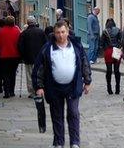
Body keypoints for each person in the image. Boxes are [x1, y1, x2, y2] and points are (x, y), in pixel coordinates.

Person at [32, 20, 92, 148]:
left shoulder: (76, 46)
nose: (60, 35)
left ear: (68, 32)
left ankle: (75, 142)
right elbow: (39, 68)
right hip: (54, 87)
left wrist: (87, 81)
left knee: (73, 113)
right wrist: (39, 87)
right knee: (56, 115)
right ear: (54, 33)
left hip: (73, 85)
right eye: (58, 32)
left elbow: (84, 63)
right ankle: (58, 142)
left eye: (63, 32)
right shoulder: (47, 48)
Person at [17, 16, 47, 98]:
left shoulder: (24, 33)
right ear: (35, 22)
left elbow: (20, 46)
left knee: (30, 75)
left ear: (27, 23)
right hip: (39, 58)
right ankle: (39, 90)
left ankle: (32, 92)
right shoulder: (41, 32)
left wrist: (22, 55)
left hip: (28, 58)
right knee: (39, 74)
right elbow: (46, 44)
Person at [0, 15, 21, 98]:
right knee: (13, 74)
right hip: (15, 56)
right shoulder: (17, 31)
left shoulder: (1, 31)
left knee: (5, 74)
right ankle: (12, 91)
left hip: (4, 56)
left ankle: (6, 92)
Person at [100, 18, 121, 95]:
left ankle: (109, 88)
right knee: (116, 70)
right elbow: (121, 41)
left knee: (109, 70)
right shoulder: (118, 30)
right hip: (116, 50)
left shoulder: (105, 31)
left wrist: (105, 49)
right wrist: (118, 47)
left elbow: (101, 42)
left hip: (108, 51)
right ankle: (117, 88)